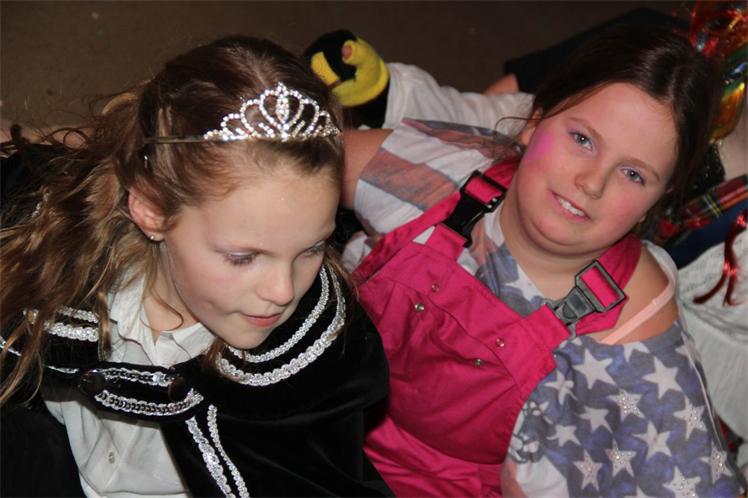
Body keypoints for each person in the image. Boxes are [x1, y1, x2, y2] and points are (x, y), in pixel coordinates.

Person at [310, 1, 748, 482]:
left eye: (633, 174)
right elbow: (281, 167)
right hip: (310, 430)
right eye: (582, 139)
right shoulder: (446, 174)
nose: (592, 182)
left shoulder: (632, 320)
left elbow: (692, 479)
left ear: (657, 199)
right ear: (534, 121)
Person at [0, 35, 392, 497]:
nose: (283, 291)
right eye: (243, 257)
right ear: (150, 210)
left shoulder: (315, 365)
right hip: (55, 451)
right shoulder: (72, 244)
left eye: (312, 248)